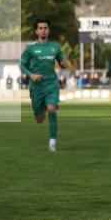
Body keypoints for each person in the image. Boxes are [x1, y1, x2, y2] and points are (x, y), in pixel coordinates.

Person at [19, 19, 68, 152]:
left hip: (51, 84)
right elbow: (21, 65)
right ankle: (45, 108)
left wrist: (64, 63)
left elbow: (63, 62)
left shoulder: (55, 47)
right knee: (39, 119)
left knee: (52, 109)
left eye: (45, 28)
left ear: (48, 30)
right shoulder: (30, 48)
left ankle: (52, 142)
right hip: (36, 87)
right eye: (40, 28)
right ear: (36, 31)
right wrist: (31, 75)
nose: (43, 30)